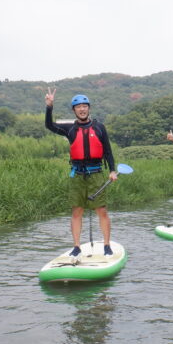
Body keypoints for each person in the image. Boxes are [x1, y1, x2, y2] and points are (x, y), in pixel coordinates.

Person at [45, 88, 117, 256]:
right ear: (74, 110)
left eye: (85, 106)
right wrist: (49, 107)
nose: (82, 109)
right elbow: (49, 125)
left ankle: (107, 245)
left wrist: (112, 170)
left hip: (96, 173)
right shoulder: (69, 128)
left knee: (102, 210)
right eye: (79, 107)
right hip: (77, 175)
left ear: (89, 108)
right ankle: (76, 247)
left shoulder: (99, 127)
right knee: (77, 211)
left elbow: (108, 151)